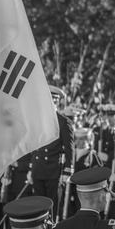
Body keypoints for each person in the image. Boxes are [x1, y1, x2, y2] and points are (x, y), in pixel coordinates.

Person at [31, 86, 75, 217]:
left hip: (53, 170)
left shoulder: (63, 122)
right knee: (38, 205)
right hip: (38, 168)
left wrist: (68, 170)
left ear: (56, 102)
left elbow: (69, 148)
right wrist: (30, 168)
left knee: (52, 205)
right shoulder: (37, 120)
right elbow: (33, 145)